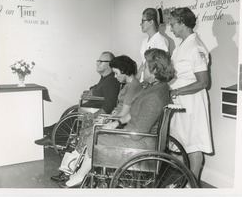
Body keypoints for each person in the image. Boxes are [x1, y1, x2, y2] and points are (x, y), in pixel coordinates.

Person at [60, 48, 175, 188]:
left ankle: (80, 175)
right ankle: (80, 175)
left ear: (155, 70)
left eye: (145, 65)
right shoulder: (156, 88)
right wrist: (117, 123)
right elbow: (133, 112)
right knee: (97, 133)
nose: (142, 68)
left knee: (96, 137)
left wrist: (114, 130)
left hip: (142, 141)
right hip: (140, 136)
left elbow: (138, 131)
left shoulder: (154, 96)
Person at [51, 55, 143, 183]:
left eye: (116, 73)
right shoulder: (128, 83)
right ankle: (69, 170)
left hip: (120, 124)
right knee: (84, 132)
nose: (115, 77)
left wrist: (107, 119)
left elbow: (123, 114)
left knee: (86, 134)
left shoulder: (133, 87)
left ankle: (69, 171)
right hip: (114, 119)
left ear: (123, 70)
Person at [34, 51, 120, 146]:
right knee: (72, 112)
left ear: (110, 64)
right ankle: (50, 130)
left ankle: (54, 138)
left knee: (74, 115)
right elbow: (98, 87)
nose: (97, 63)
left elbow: (109, 105)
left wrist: (93, 116)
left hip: (94, 111)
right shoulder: (105, 78)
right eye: (98, 60)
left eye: (101, 61)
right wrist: (93, 90)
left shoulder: (111, 81)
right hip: (90, 107)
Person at [168, 7, 213, 183]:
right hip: (180, 101)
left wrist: (177, 91)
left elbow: (203, 82)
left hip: (192, 101)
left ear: (182, 23)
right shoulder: (182, 45)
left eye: (172, 24)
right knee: (180, 143)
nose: (171, 29)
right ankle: (184, 181)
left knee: (194, 145)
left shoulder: (195, 47)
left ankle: (192, 186)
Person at [136, 8, 169, 82]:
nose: (141, 24)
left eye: (143, 21)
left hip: (153, 82)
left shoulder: (161, 40)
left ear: (151, 22)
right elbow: (144, 62)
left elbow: (162, 66)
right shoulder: (144, 41)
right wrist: (136, 79)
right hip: (144, 81)